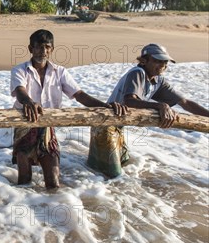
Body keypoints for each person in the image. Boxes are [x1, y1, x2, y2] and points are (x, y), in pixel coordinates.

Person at [11, 29, 126, 189]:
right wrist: (29, 101)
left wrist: (105, 106)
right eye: (38, 47)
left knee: (53, 182)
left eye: (47, 47)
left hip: (47, 128)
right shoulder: (20, 70)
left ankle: (51, 208)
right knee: (24, 180)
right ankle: (19, 207)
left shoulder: (60, 72)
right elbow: (20, 91)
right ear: (30, 49)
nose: (42, 51)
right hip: (25, 127)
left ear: (51, 49)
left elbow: (79, 95)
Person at [88, 43, 209, 178]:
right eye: (157, 61)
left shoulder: (158, 81)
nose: (163, 66)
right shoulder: (137, 73)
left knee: (120, 164)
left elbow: (185, 103)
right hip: (105, 125)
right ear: (144, 61)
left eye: (165, 62)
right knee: (113, 175)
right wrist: (160, 106)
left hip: (117, 127)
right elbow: (130, 101)